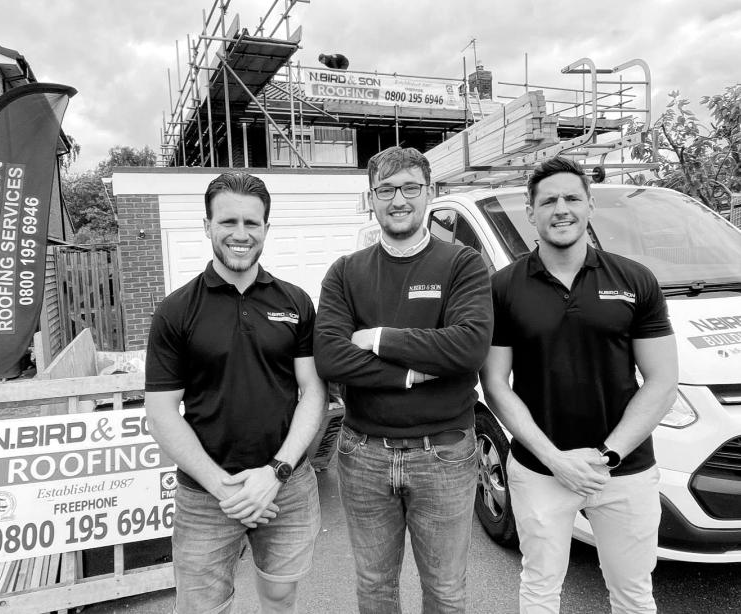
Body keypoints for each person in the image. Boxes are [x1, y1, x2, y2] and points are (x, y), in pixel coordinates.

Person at [479, 157, 678, 614]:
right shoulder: (503, 287)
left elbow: (662, 382)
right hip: (539, 469)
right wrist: (555, 459)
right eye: (548, 201)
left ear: (590, 205)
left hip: (623, 469)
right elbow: (495, 384)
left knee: (633, 595)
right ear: (530, 212)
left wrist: (608, 455)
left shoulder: (634, 279)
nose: (561, 209)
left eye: (571, 198)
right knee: (540, 590)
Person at [314, 146, 493, 614]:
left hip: (444, 454)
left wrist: (378, 338)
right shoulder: (346, 272)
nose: (399, 200)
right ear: (371, 198)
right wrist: (414, 372)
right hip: (364, 454)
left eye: (411, 187)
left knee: (446, 592)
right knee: (375, 588)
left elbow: (468, 348)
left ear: (430, 192)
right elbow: (330, 357)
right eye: (386, 189)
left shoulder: (462, 264)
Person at [145, 172, 327, 614]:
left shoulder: (296, 302)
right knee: (201, 608)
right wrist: (226, 490)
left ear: (266, 227)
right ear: (207, 225)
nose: (240, 234)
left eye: (252, 223)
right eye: (228, 222)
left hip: (286, 486)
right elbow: (162, 413)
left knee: (281, 595)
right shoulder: (175, 311)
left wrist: (276, 472)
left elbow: (313, 393)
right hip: (206, 495)